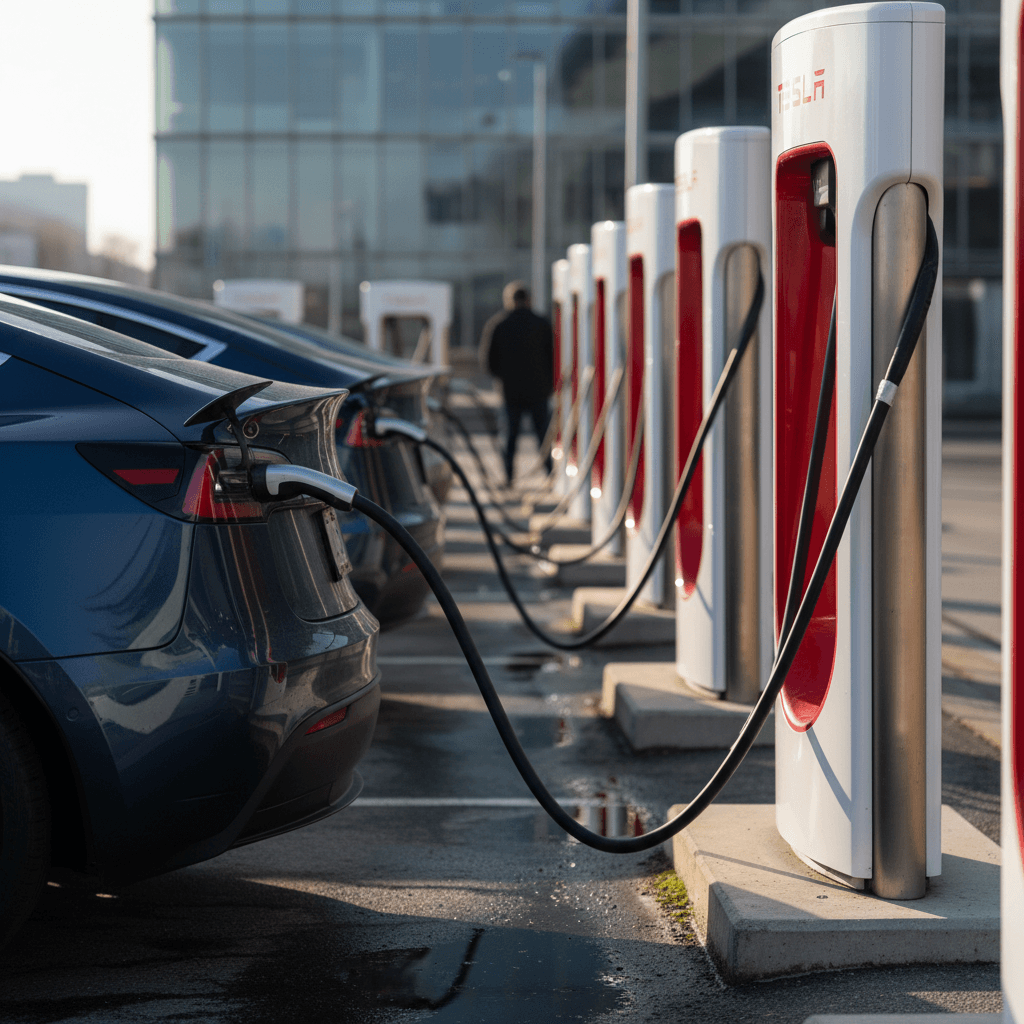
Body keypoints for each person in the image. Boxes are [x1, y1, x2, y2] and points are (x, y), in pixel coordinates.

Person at [479, 281, 555, 485]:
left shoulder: (498, 324)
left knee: (510, 438)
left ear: (509, 301)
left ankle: (509, 478)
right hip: (539, 391)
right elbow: (554, 357)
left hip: (510, 392)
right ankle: (551, 476)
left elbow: (488, 361)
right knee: (544, 436)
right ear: (528, 299)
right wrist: (549, 384)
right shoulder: (542, 323)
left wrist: (503, 378)